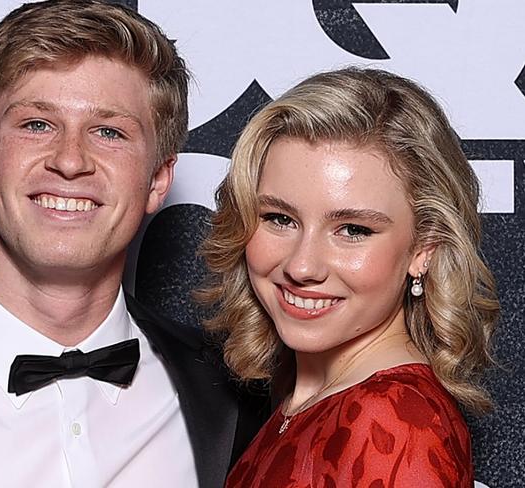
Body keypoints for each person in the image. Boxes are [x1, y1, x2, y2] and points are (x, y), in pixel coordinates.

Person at [0, 1, 265, 487]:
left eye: (109, 131)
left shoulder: (238, 399)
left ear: (159, 179)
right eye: (37, 124)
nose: (70, 160)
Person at [199, 67, 499, 487]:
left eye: (353, 230)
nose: (302, 266)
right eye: (279, 218)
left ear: (424, 247)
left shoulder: (395, 422)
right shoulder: (305, 402)